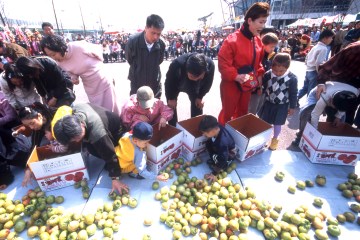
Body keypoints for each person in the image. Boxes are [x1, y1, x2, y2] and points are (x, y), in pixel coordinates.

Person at [51, 103, 128, 194]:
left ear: (82, 125)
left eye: (77, 138)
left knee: (102, 151)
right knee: (90, 148)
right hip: (101, 120)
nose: (76, 141)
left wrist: (115, 178)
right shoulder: (71, 116)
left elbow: (109, 154)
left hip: (116, 131)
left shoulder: (97, 133)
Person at [217, 2, 269, 126]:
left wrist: (260, 74)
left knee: (242, 113)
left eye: (264, 22)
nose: (263, 26)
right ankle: (222, 138)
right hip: (231, 83)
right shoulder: (232, 40)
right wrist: (235, 76)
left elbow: (259, 63)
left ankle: (237, 138)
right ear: (250, 20)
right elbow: (223, 63)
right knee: (227, 113)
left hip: (247, 83)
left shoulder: (257, 40)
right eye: (261, 22)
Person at [40, 35, 120, 114]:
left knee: (111, 107)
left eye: (53, 54)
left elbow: (98, 51)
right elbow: (70, 72)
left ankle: (117, 124)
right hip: (89, 85)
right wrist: (74, 77)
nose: (53, 58)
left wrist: (100, 68)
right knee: (99, 110)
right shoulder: (59, 62)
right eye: (49, 56)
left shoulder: (78, 46)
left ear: (60, 47)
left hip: (103, 78)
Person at [292, 82, 359, 146]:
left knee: (339, 122)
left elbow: (344, 107)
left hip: (337, 100)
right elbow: (315, 115)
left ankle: (330, 140)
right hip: (317, 95)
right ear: (331, 100)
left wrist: (338, 117)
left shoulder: (355, 93)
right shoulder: (325, 94)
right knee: (306, 113)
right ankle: (301, 135)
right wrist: (314, 132)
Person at [258, 53, 298, 150]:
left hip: (282, 105)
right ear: (272, 66)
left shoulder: (292, 78)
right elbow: (263, 85)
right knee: (264, 123)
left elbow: (293, 93)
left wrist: (292, 107)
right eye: (275, 70)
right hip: (268, 103)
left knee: (277, 123)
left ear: (287, 68)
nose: (278, 73)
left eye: (281, 71)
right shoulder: (268, 74)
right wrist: (260, 89)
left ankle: (275, 141)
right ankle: (263, 141)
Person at [316, 41, 360, 124]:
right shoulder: (354, 50)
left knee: (348, 116)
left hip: (355, 88)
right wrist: (321, 82)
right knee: (334, 116)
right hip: (341, 85)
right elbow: (327, 67)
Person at [165, 53, 215, 126]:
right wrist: (171, 97)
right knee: (171, 106)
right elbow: (169, 82)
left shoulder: (210, 65)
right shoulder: (177, 64)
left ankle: (195, 128)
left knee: (197, 105)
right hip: (177, 83)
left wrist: (200, 97)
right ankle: (173, 129)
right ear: (187, 70)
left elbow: (208, 83)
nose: (195, 79)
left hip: (196, 87)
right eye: (192, 77)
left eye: (199, 77)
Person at [125, 14, 165, 98]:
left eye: (159, 34)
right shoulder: (133, 41)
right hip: (137, 82)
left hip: (154, 83)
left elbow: (159, 61)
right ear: (146, 28)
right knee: (136, 106)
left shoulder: (161, 44)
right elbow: (130, 59)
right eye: (153, 33)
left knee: (154, 108)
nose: (156, 37)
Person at [297, 29, 335, 102]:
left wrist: (308, 65)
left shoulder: (316, 46)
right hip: (314, 71)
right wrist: (319, 73)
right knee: (311, 91)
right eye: (331, 37)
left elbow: (307, 57)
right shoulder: (324, 48)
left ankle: (295, 99)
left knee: (305, 88)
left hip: (308, 70)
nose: (332, 39)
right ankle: (308, 106)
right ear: (325, 38)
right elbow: (319, 63)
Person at [199, 115, 237, 183]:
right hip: (221, 148)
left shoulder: (222, 142)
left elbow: (223, 158)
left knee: (220, 161)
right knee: (208, 144)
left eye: (205, 133)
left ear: (213, 131)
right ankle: (215, 160)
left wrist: (214, 173)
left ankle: (223, 166)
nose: (203, 135)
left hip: (229, 154)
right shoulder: (217, 127)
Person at [249, 32, 278, 115]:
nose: (273, 49)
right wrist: (259, 87)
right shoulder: (259, 56)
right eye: (272, 46)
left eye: (274, 47)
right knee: (252, 110)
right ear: (263, 44)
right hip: (256, 88)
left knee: (258, 108)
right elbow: (257, 72)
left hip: (263, 88)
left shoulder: (269, 56)